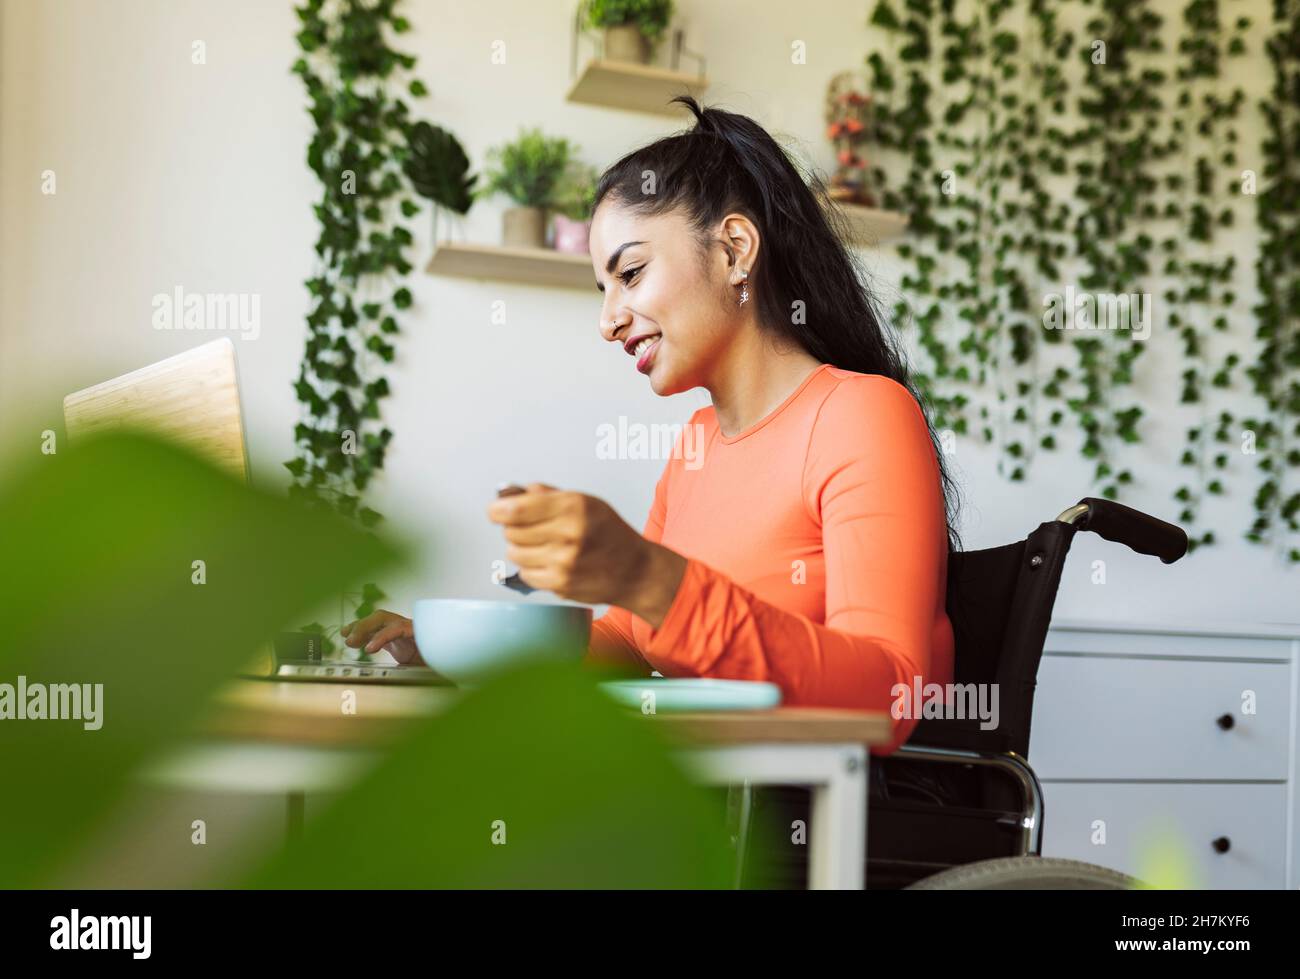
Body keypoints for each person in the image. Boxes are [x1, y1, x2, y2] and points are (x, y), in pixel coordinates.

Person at [342, 96, 959, 756]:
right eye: (604, 289)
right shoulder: (697, 442)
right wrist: (464, 651)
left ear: (734, 249)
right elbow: (632, 644)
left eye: (630, 273)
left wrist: (652, 578)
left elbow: (888, 699)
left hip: (801, 817)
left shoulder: (863, 414)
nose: (608, 320)